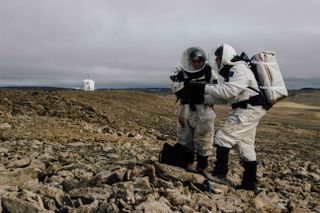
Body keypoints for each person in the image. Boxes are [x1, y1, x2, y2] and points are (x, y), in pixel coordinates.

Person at [182, 43, 266, 192]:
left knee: (222, 137)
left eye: (218, 59)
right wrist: (202, 98)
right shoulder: (235, 71)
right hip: (249, 108)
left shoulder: (238, 69)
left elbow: (228, 92)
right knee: (245, 146)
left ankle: (220, 175)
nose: (216, 62)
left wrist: (202, 87)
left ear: (225, 57)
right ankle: (249, 183)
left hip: (247, 109)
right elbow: (225, 97)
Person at [170, 47, 218, 172]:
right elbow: (175, 89)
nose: (196, 64)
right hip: (186, 109)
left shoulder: (209, 72)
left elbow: (217, 92)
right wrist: (184, 87)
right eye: (194, 61)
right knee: (185, 137)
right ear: (190, 61)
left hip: (204, 109)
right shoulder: (182, 72)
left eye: (198, 61)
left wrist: (201, 96)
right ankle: (187, 164)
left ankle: (201, 166)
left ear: (202, 61)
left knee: (204, 137)